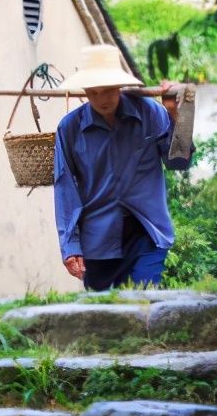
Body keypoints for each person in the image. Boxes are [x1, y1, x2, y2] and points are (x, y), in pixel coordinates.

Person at [53, 44, 192, 291]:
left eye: (107, 90)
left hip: (146, 230)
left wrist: (179, 116)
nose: (101, 99)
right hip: (97, 236)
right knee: (104, 317)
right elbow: (65, 187)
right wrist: (70, 245)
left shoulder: (150, 113)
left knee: (142, 305)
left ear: (119, 87)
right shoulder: (70, 128)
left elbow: (179, 162)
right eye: (93, 92)